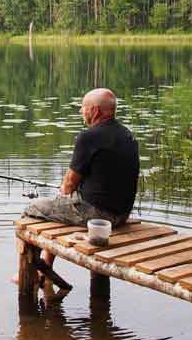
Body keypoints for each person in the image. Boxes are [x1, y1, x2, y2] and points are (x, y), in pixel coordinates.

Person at [22, 87, 139, 268]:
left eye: (83, 107)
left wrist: (63, 193)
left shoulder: (89, 137)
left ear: (95, 110)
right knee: (59, 207)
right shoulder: (127, 134)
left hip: (97, 216)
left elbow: (68, 185)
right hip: (121, 215)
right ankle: (46, 263)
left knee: (33, 209)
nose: (81, 111)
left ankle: (30, 271)